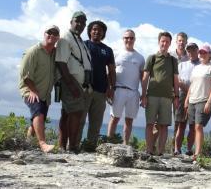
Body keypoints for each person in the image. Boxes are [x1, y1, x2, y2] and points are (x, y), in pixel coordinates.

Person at [19, 25, 60, 153]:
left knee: (35, 121)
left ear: (58, 38)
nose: (52, 35)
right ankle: (43, 144)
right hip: (30, 90)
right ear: (44, 34)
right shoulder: (33, 51)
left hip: (45, 94)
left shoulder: (55, 54)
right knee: (38, 113)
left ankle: (26, 144)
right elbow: (24, 75)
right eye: (49, 32)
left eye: (55, 33)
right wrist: (33, 90)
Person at [56, 11, 92, 153]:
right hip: (70, 81)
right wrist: (71, 85)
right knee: (76, 112)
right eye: (77, 21)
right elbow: (61, 62)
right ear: (71, 22)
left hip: (79, 82)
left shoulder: (80, 40)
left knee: (67, 113)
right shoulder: (66, 38)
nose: (80, 24)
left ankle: (62, 146)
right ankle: (72, 147)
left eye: (83, 22)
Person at [78, 20, 115, 151]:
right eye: (94, 29)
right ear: (89, 31)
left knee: (96, 123)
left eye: (100, 30)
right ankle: (74, 146)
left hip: (101, 91)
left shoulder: (107, 50)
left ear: (103, 33)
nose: (96, 32)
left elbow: (111, 70)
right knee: (80, 120)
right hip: (84, 89)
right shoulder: (82, 45)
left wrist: (111, 88)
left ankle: (90, 147)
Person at [141, 32, 179, 155]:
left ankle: (160, 152)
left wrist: (176, 97)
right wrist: (143, 95)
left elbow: (175, 80)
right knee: (150, 124)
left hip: (167, 97)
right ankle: (149, 150)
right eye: (163, 41)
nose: (164, 43)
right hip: (151, 95)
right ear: (159, 42)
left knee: (164, 125)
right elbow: (145, 77)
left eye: (167, 41)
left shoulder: (173, 60)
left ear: (170, 43)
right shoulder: (151, 58)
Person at [107, 29, 145, 145]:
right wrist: (109, 88)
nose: (129, 40)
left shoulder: (140, 57)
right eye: (126, 38)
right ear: (123, 39)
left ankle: (125, 144)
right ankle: (109, 142)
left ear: (135, 39)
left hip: (133, 92)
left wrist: (143, 94)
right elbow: (110, 72)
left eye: (131, 38)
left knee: (129, 120)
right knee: (115, 118)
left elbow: (142, 77)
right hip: (118, 89)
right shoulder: (116, 53)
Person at [185, 44, 211, 160]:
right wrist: (186, 99)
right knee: (193, 127)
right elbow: (192, 85)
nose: (202, 55)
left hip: (203, 100)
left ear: (210, 54)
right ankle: (193, 151)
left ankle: (198, 154)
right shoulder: (196, 68)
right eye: (201, 53)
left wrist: (209, 102)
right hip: (192, 100)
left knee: (199, 126)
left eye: (205, 52)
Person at [174, 42, 200, 155]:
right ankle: (177, 149)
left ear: (197, 50)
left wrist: (191, 90)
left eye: (193, 50)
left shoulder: (202, 65)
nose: (191, 52)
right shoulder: (181, 65)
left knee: (193, 126)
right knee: (181, 124)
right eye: (189, 50)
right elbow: (178, 82)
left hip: (197, 97)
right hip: (182, 96)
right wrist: (188, 90)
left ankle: (189, 150)